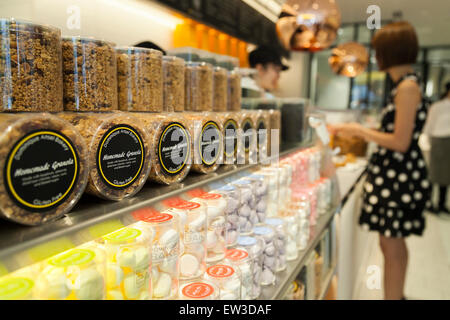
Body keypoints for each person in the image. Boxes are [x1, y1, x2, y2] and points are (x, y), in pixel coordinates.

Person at [330, 21, 431, 300]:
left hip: (398, 177)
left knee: (392, 245)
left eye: (378, 50)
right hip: (395, 176)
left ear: (390, 51)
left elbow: (400, 142)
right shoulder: (403, 85)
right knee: (391, 244)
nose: (375, 57)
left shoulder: (407, 88)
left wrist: (361, 131)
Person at [421, 82, 450, 214]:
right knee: (434, 172)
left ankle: (441, 203)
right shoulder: (438, 106)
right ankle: (428, 202)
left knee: (446, 175)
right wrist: (425, 141)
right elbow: (429, 124)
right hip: (438, 140)